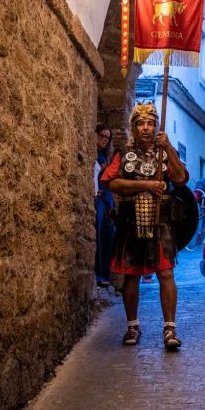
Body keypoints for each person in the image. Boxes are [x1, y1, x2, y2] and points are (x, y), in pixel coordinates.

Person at [100, 103, 190, 350]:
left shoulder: (164, 153)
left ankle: (169, 329)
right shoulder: (123, 154)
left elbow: (181, 178)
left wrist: (168, 146)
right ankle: (133, 326)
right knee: (131, 275)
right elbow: (111, 183)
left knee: (165, 273)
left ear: (157, 126)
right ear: (134, 127)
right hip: (130, 219)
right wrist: (146, 186)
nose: (146, 128)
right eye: (141, 123)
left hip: (160, 220)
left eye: (150, 123)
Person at [94, 124, 117, 289]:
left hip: (107, 200)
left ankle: (106, 274)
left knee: (108, 235)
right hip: (99, 199)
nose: (104, 140)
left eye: (107, 138)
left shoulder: (103, 155)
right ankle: (99, 275)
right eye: (102, 136)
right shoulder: (95, 154)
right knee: (100, 236)